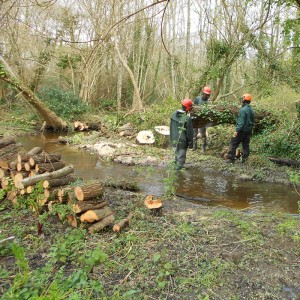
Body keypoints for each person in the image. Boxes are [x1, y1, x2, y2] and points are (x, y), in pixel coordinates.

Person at [226, 93, 255, 163]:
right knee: (245, 145)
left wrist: (237, 130)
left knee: (233, 142)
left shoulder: (243, 110)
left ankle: (231, 159)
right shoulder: (252, 110)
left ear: (244, 99)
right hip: (248, 131)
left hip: (242, 130)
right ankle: (245, 159)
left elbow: (241, 123)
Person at [170, 99, 194, 170]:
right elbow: (189, 133)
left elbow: (171, 127)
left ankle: (174, 172)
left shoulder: (174, 114)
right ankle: (178, 175)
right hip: (183, 142)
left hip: (174, 139)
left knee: (176, 156)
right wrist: (191, 145)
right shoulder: (187, 119)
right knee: (181, 160)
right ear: (188, 107)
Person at [193, 86, 211, 152]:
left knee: (203, 135)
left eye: (207, 95)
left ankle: (203, 148)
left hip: (203, 120)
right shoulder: (197, 99)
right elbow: (193, 107)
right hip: (195, 119)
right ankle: (194, 147)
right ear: (203, 93)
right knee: (194, 133)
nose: (206, 96)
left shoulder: (208, 102)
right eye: (205, 94)